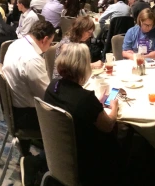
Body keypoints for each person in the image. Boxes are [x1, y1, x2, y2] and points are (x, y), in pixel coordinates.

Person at [43, 43, 120, 186]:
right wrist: (114, 106)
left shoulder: (52, 86)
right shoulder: (85, 99)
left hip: (57, 152)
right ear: (84, 66)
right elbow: (108, 125)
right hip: (86, 161)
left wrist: (96, 106)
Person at [3, 21, 55, 156]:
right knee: (74, 117)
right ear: (44, 40)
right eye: (50, 43)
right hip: (28, 115)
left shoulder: (15, 44)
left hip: (14, 108)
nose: (49, 47)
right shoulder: (32, 59)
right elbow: (48, 97)